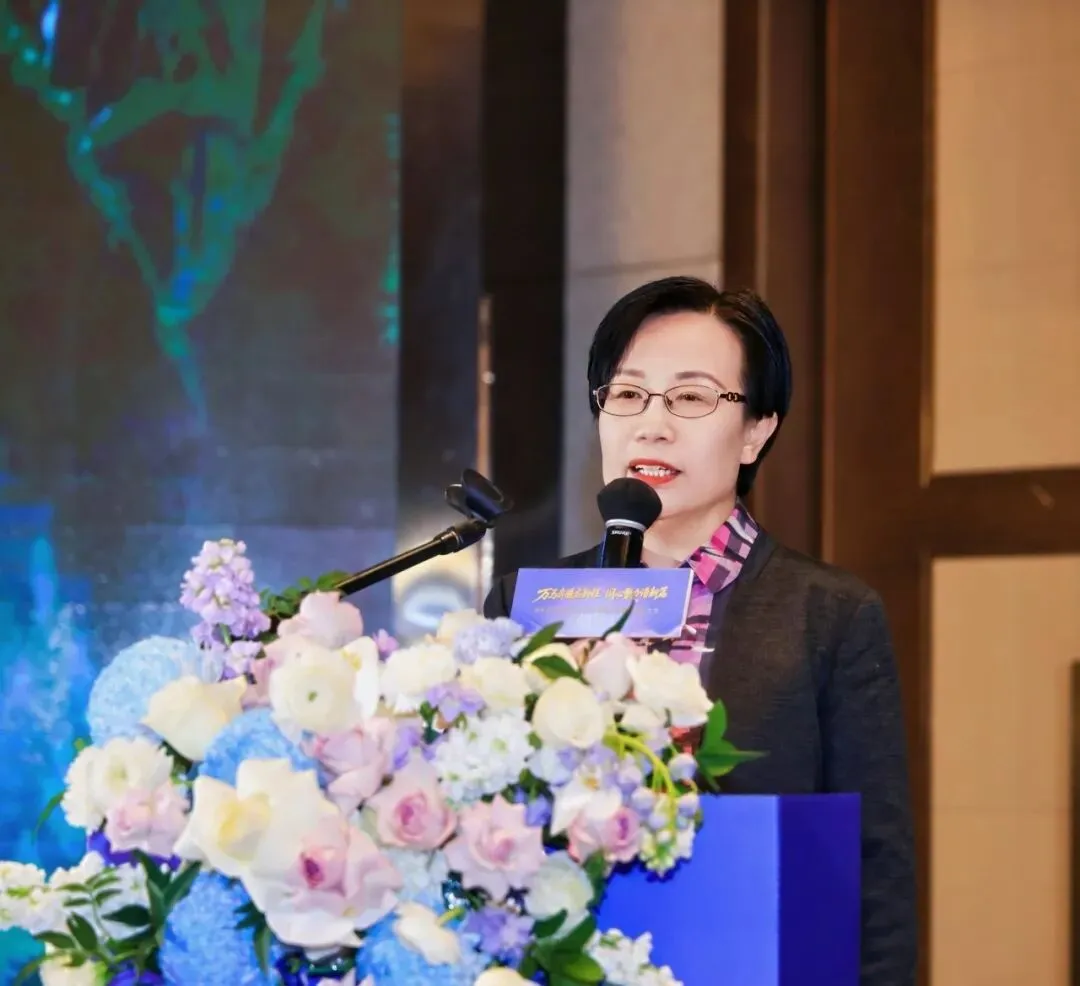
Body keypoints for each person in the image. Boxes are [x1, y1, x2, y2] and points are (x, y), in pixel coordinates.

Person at [484, 277, 917, 986]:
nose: (652, 424)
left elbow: (875, 874)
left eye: (690, 398)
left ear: (756, 431)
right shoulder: (525, 603)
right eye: (628, 394)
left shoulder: (830, 616)